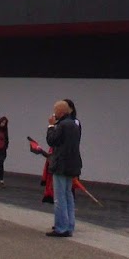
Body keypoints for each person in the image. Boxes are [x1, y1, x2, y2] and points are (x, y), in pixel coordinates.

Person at [44, 99, 82, 238]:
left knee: (59, 197)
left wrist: (50, 126)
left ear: (60, 112)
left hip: (61, 165)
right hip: (73, 164)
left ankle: (61, 227)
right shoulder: (74, 124)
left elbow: (52, 140)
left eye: (55, 110)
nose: (54, 113)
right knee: (68, 195)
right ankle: (70, 225)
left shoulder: (62, 125)